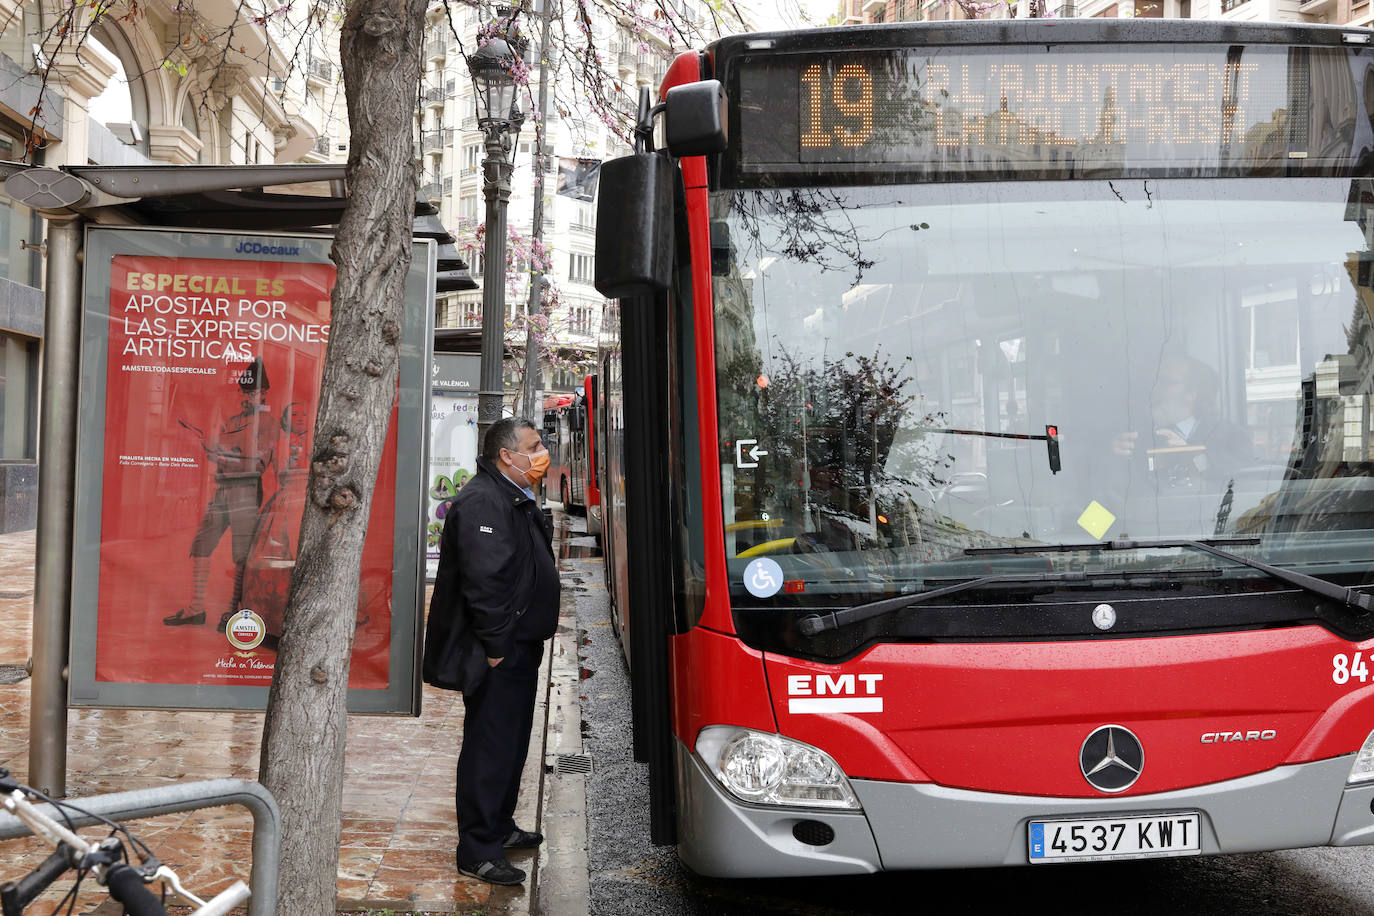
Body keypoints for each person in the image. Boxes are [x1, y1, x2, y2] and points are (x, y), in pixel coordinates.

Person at [422, 417, 558, 886]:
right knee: (490, 745)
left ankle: (499, 825)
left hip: (520, 645)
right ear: (507, 455)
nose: (541, 453)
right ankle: (476, 849)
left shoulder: (511, 494)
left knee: (513, 740)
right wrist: (498, 646)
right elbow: (485, 582)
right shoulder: (484, 498)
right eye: (533, 446)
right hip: (499, 651)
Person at [164, 357, 279, 628]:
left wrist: (223, 453)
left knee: (241, 554)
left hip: (247, 491)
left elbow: (258, 463)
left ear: (264, 393)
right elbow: (225, 455)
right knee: (202, 545)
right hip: (223, 489)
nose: (252, 396)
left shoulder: (269, 423)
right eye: (247, 391)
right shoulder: (233, 420)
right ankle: (196, 607)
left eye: (257, 392)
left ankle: (232, 611)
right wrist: (219, 452)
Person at [1112, 354, 1252, 487]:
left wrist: (1192, 457)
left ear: (1192, 393)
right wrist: (1114, 459)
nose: (1154, 389)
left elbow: (1249, 480)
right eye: (1152, 382)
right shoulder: (1133, 437)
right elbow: (1116, 499)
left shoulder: (1231, 436)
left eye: (1165, 383)